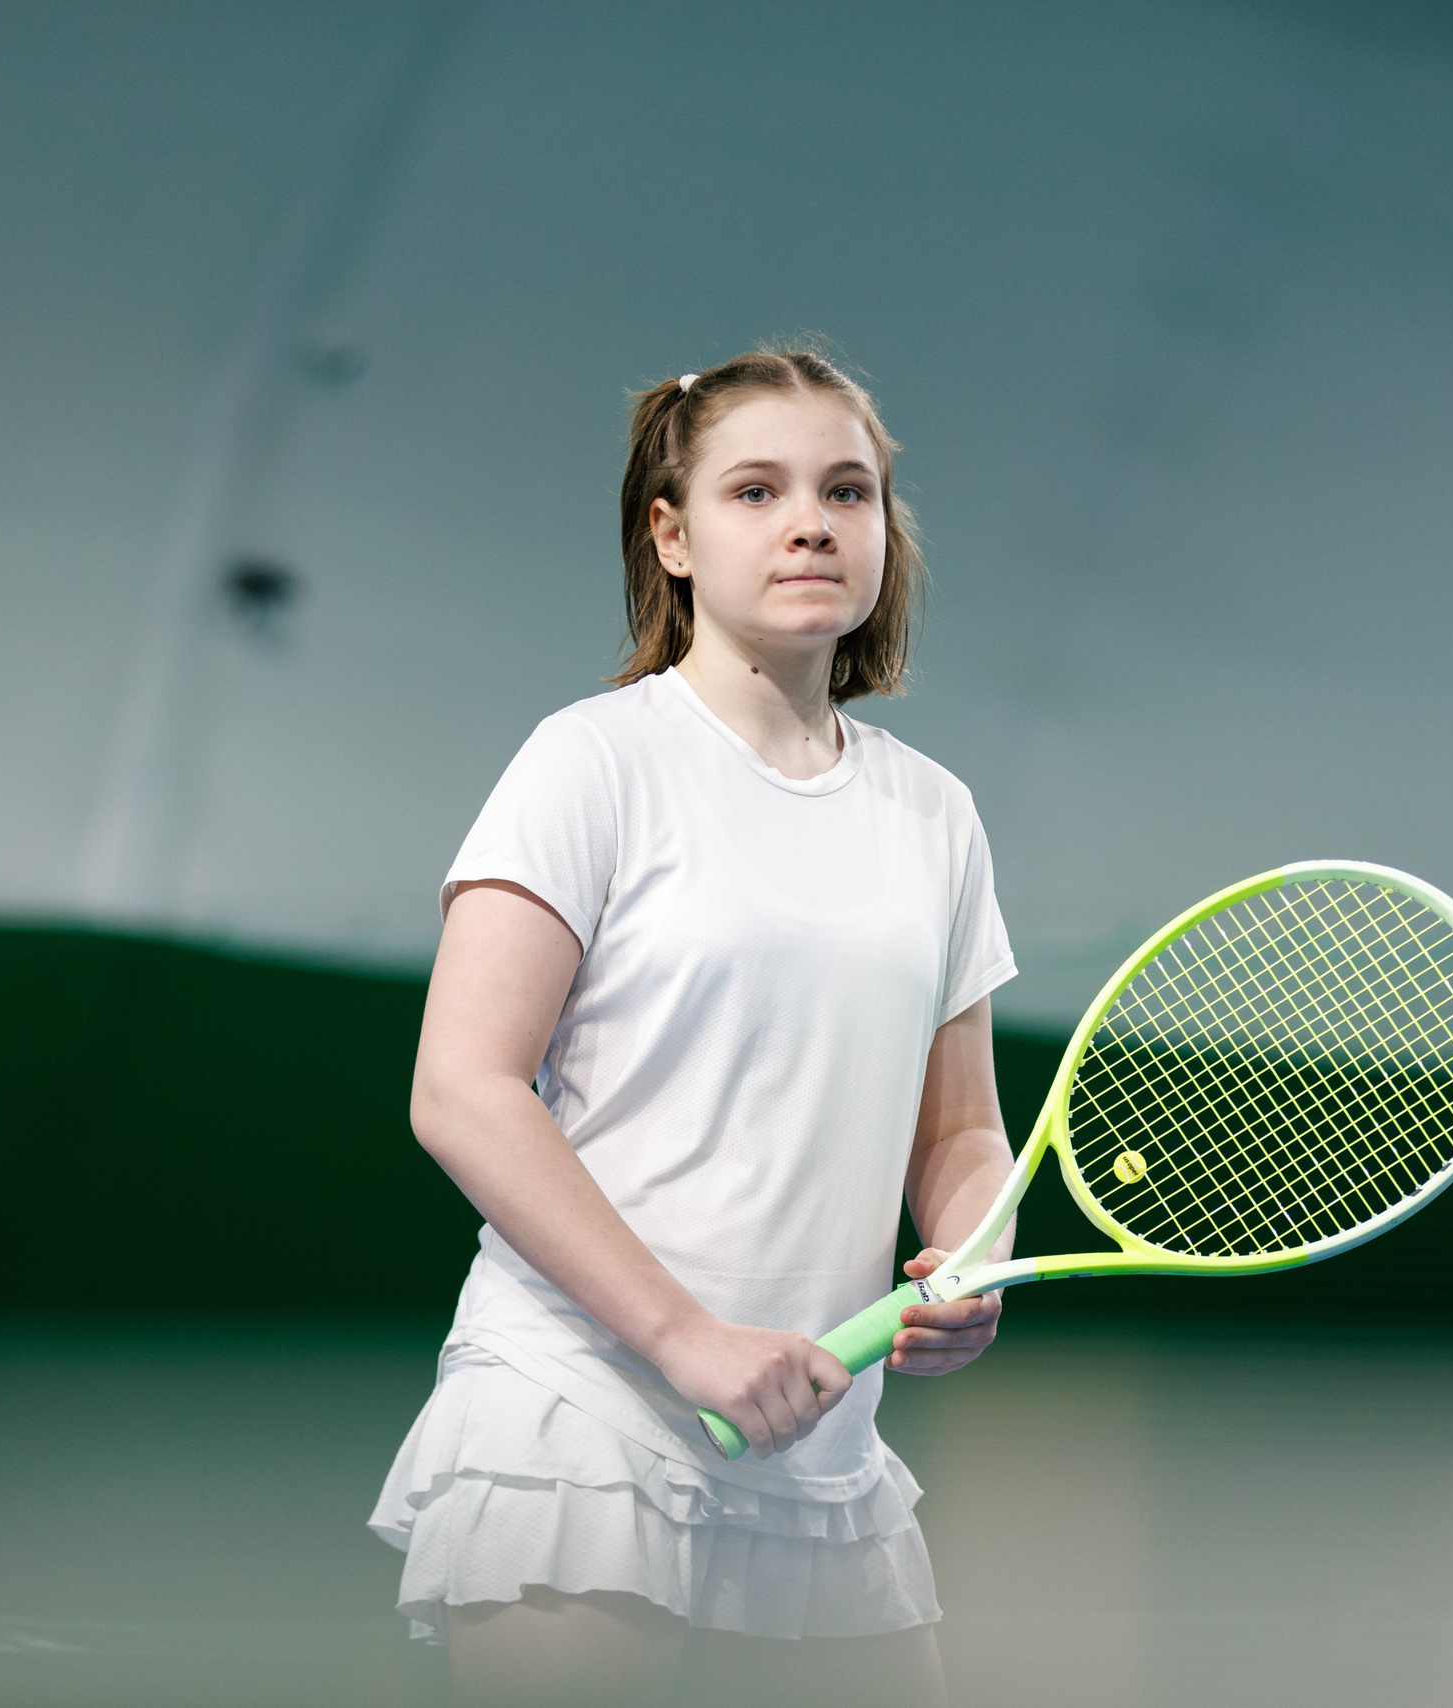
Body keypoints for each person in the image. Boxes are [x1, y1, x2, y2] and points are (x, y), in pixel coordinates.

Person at [371, 347, 1020, 1705]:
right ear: (671, 535)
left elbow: (959, 1126)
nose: (809, 522)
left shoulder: (937, 815)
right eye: (755, 490)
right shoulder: (590, 761)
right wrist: (682, 1337)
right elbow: (464, 1090)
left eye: (849, 490)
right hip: (580, 1412)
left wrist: (974, 1257)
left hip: (825, 1448)